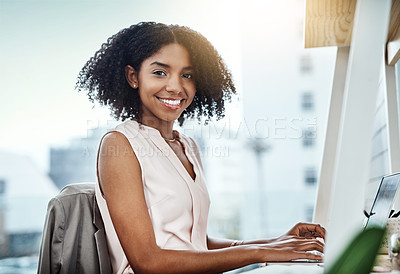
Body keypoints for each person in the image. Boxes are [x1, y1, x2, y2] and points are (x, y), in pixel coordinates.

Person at [76, 22, 325, 274]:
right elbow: (148, 261)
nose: (175, 86)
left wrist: (276, 242)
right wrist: (258, 253)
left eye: (187, 75)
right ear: (133, 77)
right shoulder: (120, 144)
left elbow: (195, 245)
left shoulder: (188, 146)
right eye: (160, 73)